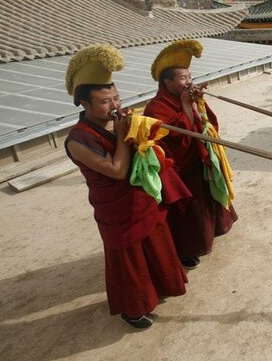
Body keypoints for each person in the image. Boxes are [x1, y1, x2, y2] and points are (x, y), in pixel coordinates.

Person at [64, 45, 188, 330]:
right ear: (84, 103)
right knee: (130, 261)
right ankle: (132, 310)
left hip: (142, 200)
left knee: (156, 247)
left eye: (117, 98)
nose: (115, 106)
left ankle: (159, 290)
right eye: (105, 101)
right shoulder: (78, 140)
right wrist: (123, 136)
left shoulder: (117, 122)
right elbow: (117, 171)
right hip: (117, 210)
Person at [144, 40, 238, 269]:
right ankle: (186, 250)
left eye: (189, 76)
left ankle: (213, 231)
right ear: (167, 82)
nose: (189, 82)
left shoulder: (187, 98)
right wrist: (186, 106)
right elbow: (174, 139)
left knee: (207, 199)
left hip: (199, 159)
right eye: (183, 78)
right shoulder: (156, 107)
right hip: (179, 169)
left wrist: (197, 106)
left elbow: (205, 125)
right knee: (188, 211)